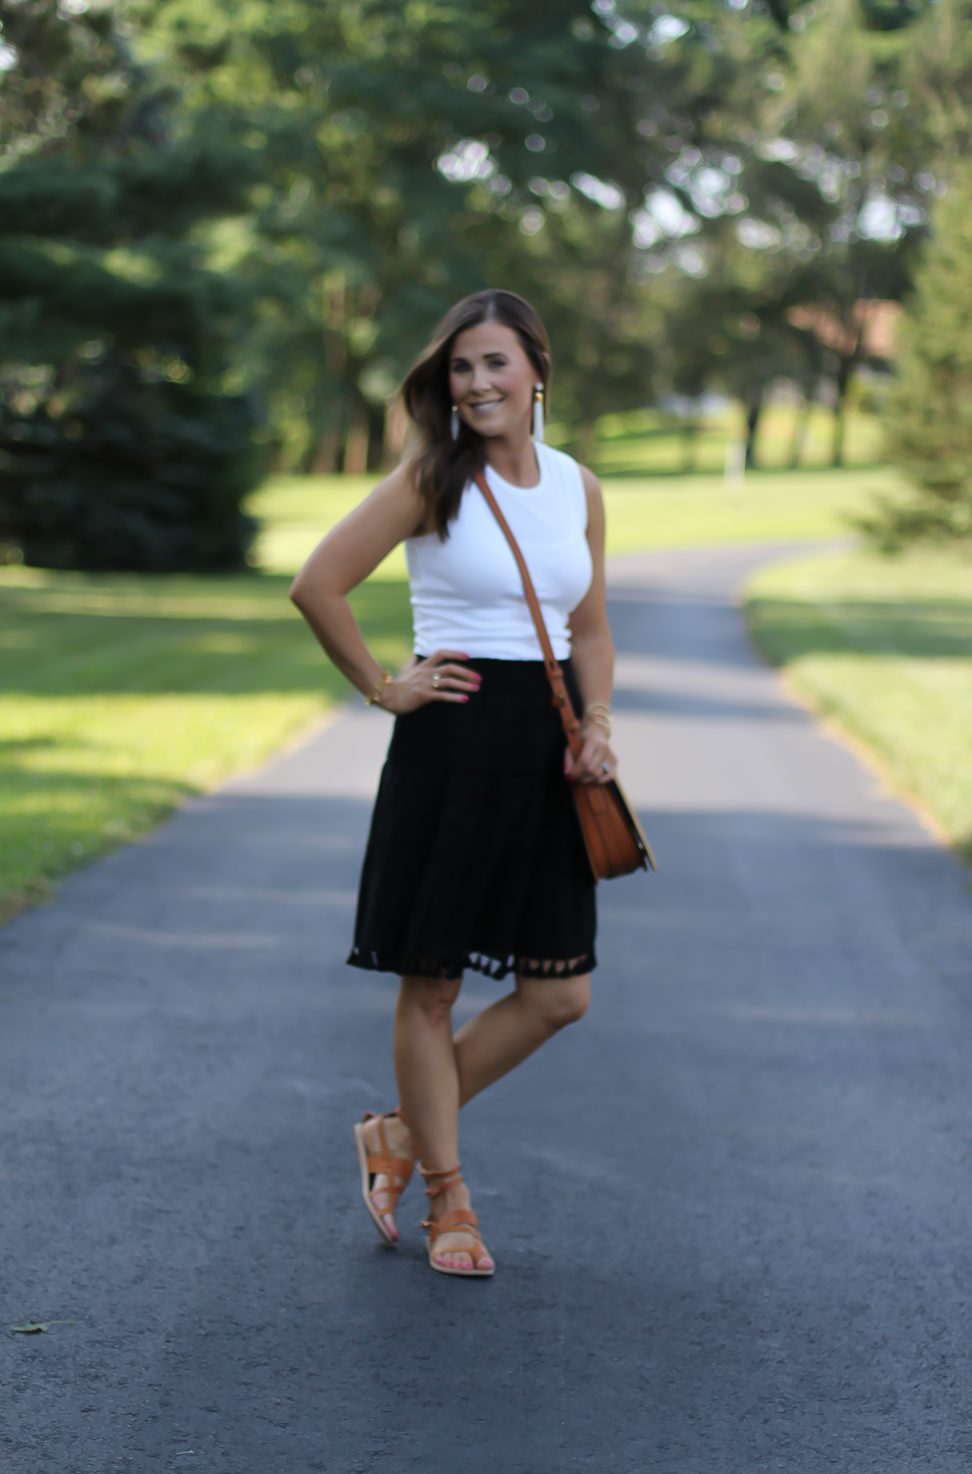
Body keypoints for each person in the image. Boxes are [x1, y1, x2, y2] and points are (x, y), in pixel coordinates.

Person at [290, 289, 617, 1277]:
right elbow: (318, 583)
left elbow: (590, 628)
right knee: (430, 984)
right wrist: (387, 687)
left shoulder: (578, 487)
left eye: (495, 365)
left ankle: (395, 1130)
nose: (476, 384)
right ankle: (449, 1199)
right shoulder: (433, 479)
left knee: (561, 995)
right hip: (452, 746)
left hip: (548, 753)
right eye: (461, 368)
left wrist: (598, 723)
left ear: (537, 372)